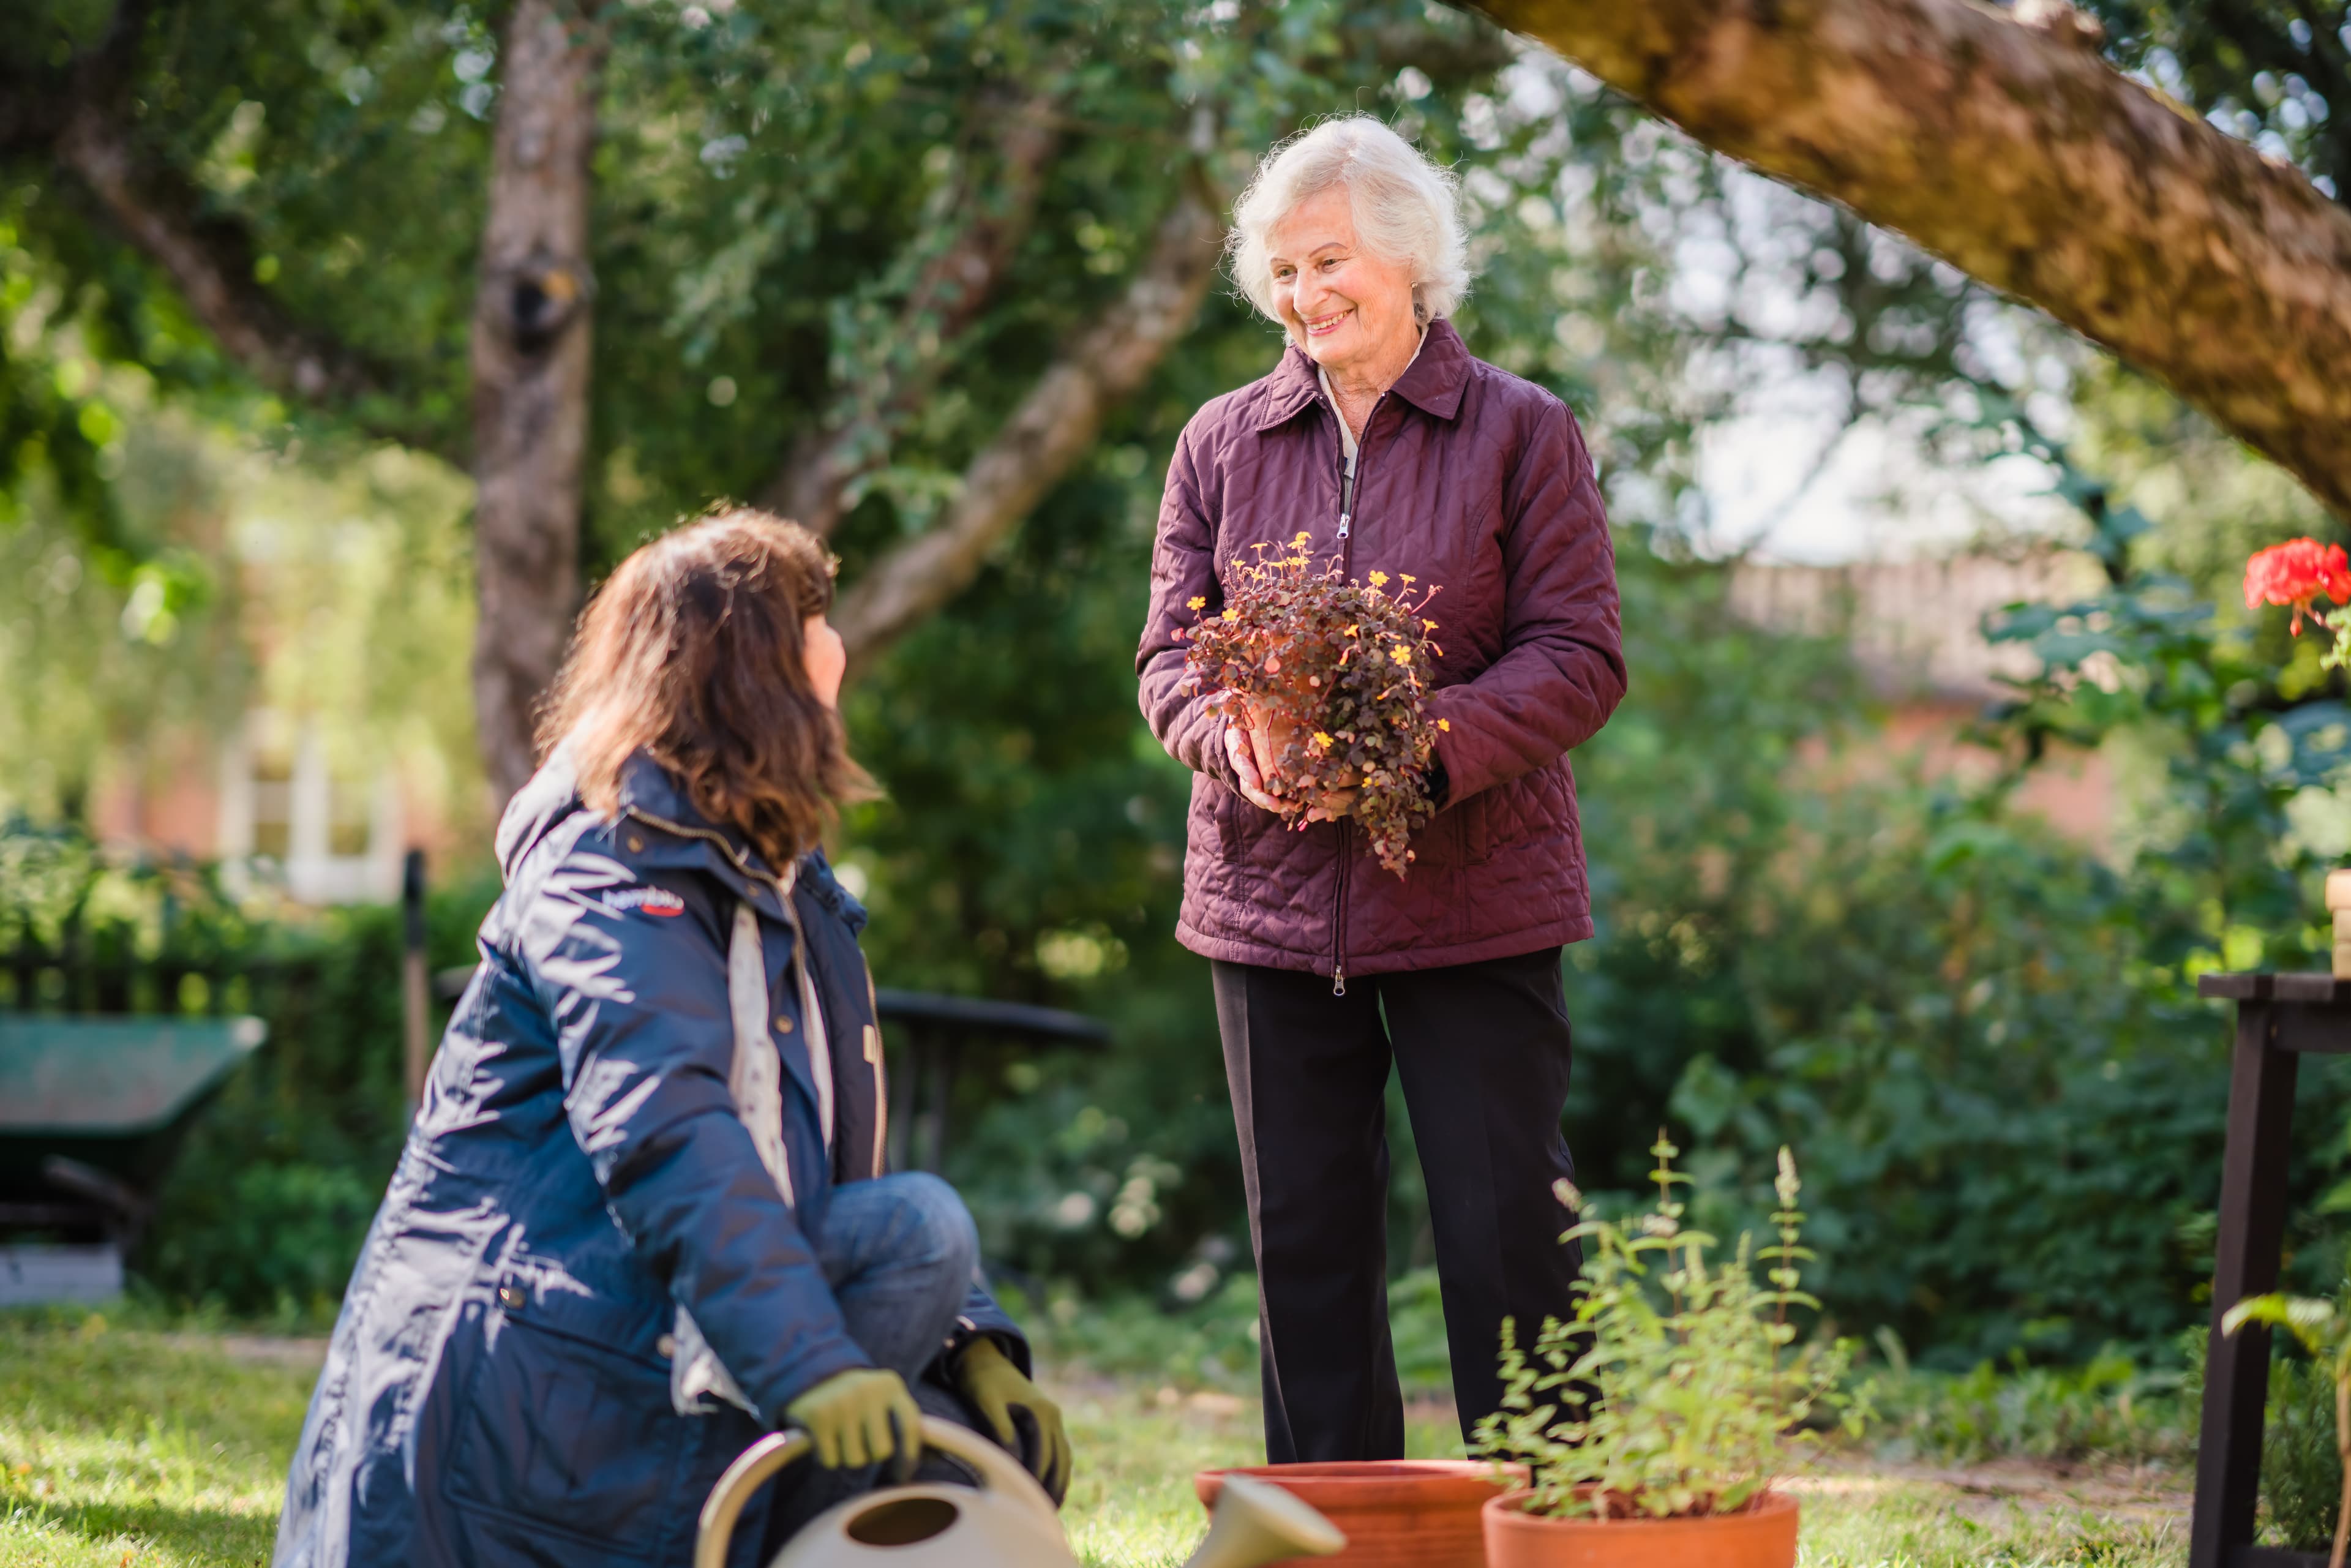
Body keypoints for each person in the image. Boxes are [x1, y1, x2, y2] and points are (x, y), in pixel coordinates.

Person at [276, 509, 1069, 1568]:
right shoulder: (608, 866)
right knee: (916, 1231)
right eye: (814, 619)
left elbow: (813, 1164)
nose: (837, 647)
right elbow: (669, 1126)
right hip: (507, 1376)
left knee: (942, 1361)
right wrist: (806, 1364)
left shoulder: (782, 887)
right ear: (755, 667)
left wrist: (968, 1338)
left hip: (624, 1320)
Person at [1136, 117, 1627, 1463]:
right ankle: (1336, 1542)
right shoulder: (1220, 441)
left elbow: (1580, 656)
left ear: (1411, 258)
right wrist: (1227, 729)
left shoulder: (1522, 431)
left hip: (1475, 896)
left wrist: (1418, 745)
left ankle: (1551, 1531)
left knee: (1508, 1241)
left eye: (1331, 260)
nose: (1306, 296)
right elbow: (1169, 654)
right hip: (1270, 906)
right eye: (1283, 272)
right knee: (1305, 1251)